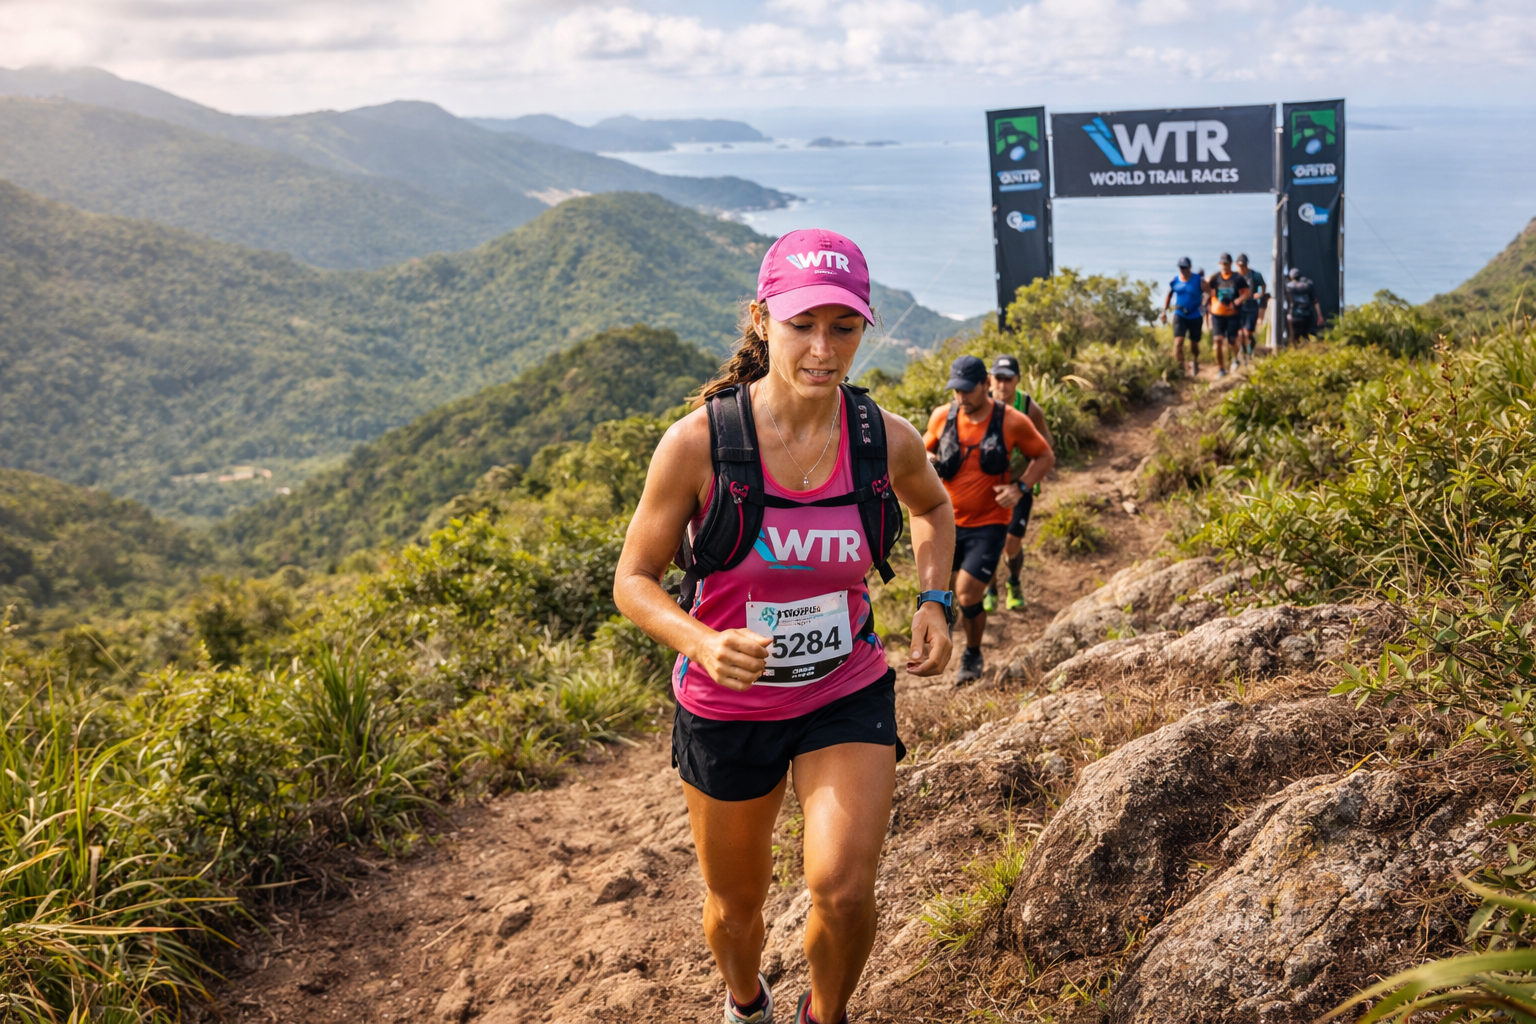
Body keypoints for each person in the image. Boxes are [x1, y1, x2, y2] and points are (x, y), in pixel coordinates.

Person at [613, 228, 956, 1024]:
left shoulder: (882, 440)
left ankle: (823, 1017)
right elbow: (633, 581)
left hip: (844, 689)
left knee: (843, 890)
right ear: (764, 321)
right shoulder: (699, 444)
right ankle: (746, 1004)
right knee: (737, 909)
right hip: (729, 706)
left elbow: (934, 508)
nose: (823, 349)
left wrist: (934, 600)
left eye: (844, 327)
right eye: (803, 325)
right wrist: (702, 642)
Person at [924, 354, 1055, 683]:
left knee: (968, 594)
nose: (962, 397)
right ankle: (946, 638)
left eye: (968, 390)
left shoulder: (1011, 420)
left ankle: (973, 654)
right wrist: (930, 457)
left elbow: (1044, 455)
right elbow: (921, 451)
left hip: (990, 522)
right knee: (944, 590)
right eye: (956, 390)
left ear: (985, 384)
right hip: (947, 522)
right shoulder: (942, 417)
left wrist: (1021, 487)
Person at [982, 354, 1054, 614]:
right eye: (998, 378)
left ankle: (1013, 581)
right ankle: (990, 589)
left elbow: (1047, 445)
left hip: (1018, 485)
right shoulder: (979, 404)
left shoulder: (1028, 408)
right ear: (990, 380)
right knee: (988, 542)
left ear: (1017, 381)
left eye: (1008, 379)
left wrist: (1030, 479)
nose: (1002, 385)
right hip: (986, 486)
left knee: (1011, 543)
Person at [1204, 252, 1250, 378]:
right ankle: (1221, 368)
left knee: (1232, 341)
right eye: (1223, 263)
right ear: (1220, 264)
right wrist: (1212, 307)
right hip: (1217, 314)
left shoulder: (1237, 278)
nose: (1225, 266)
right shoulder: (1215, 278)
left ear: (1231, 264)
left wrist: (1237, 301)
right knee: (1218, 341)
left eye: (1227, 263)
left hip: (1232, 314)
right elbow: (1210, 293)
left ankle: (1236, 358)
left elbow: (1247, 293)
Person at [1160, 256, 1205, 376]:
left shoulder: (1199, 280)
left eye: (1185, 267)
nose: (1183, 270)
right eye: (1181, 267)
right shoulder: (1174, 280)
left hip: (1195, 316)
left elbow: (1210, 293)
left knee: (1194, 344)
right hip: (1179, 315)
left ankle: (1195, 361)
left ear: (1190, 267)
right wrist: (1164, 311)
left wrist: (1205, 306)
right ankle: (1181, 369)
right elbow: (1169, 295)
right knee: (1178, 343)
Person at [1235, 253, 1267, 365]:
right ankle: (1244, 354)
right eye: (1240, 265)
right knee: (1240, 333)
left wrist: (1260, 293)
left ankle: (1248, 352)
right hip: (1239, 308)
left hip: (1251, 307)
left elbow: (1263, 285)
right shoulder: (1235, 276)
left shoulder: (1255, 275)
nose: (1242, 267)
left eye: (1243, 265)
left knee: (1247, 332)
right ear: (1236, 264)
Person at [1285, 267, 1324, 343]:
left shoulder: (1288, 286)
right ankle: (1306, 346)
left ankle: (1294, 347)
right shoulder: (1308, 285)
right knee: (1306, 335)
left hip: (1294, 315)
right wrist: (1319, 315)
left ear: (1291, 277)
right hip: (1307, 315)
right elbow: (1315, 301)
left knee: (1294, 337)